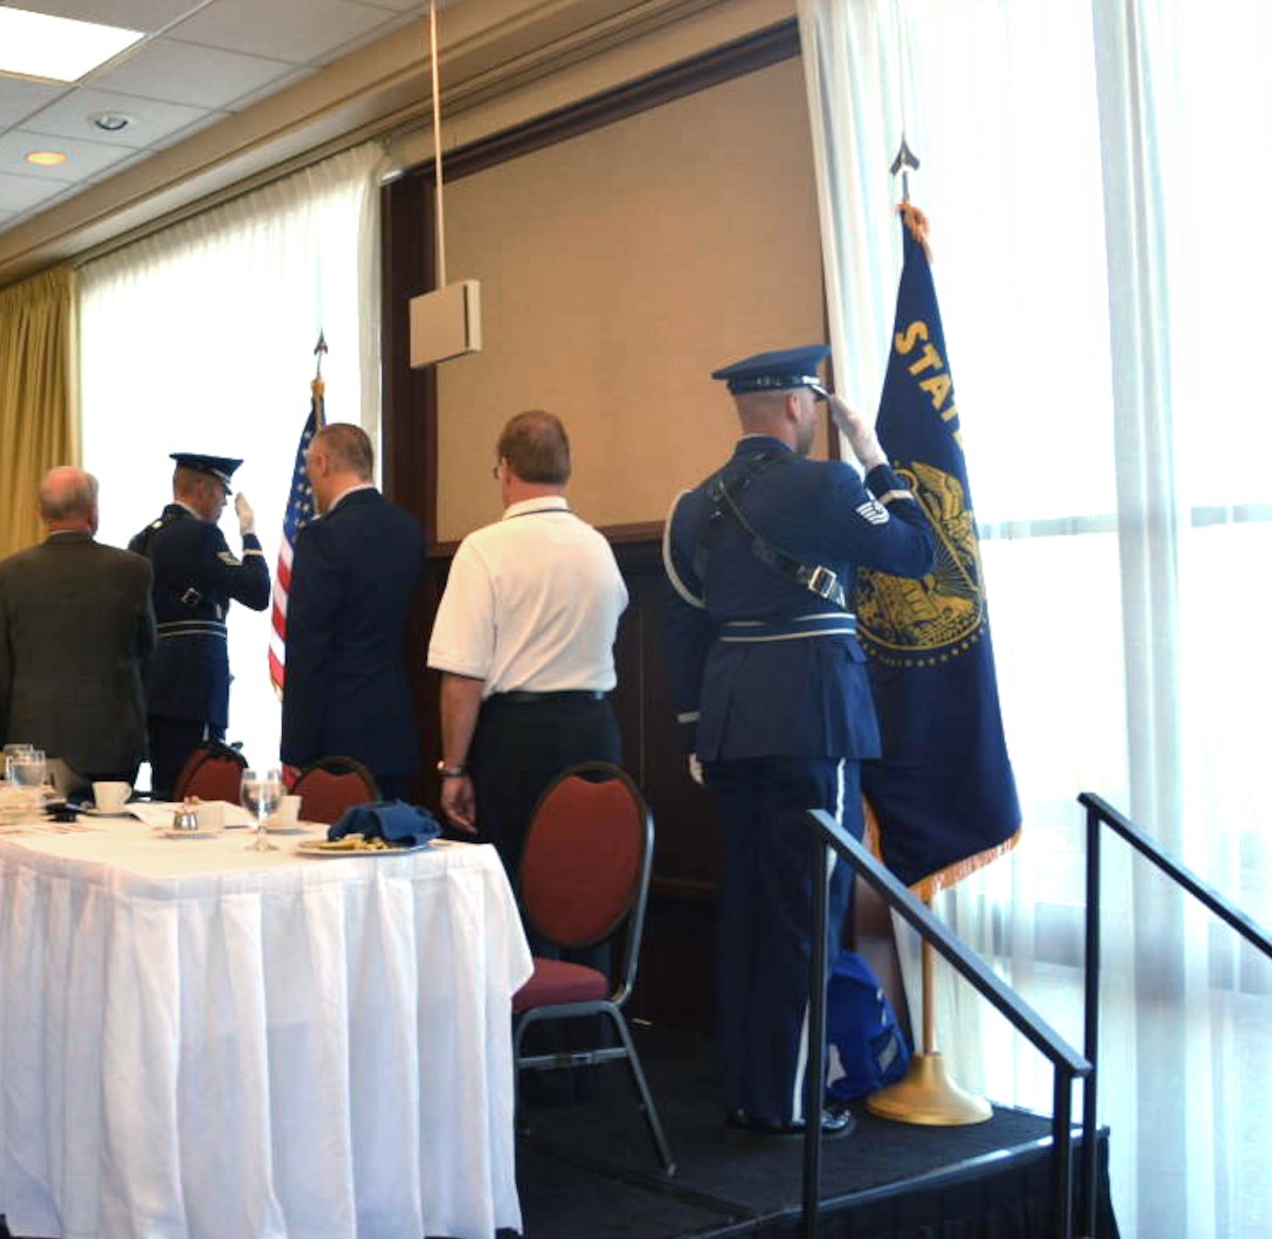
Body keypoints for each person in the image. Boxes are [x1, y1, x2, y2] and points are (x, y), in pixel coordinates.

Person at [662, 345, 936, 1139]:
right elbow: (914, 550)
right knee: (809, 912)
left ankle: (750, 1086)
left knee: (748, 908)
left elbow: (684, 626)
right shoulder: (828, 483)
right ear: (795, 405)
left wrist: (692, 729)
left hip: (730, 723)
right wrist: (876, 456)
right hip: (813, 720)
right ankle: (791, 1101)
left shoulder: (694, 505)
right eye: (814, 403)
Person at [428, 410, 629, 908]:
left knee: (514, 894)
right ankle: (593, 986)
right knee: (588, 888)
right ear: (566, 468)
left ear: (505, 469)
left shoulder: (484, 550)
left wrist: (453, 769)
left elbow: (462, 678)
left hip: (519, 741)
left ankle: (526, 989)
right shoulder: (598, 548)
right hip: (595, 732)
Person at [278, 422, 425, 798]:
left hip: (337, 736)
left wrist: (296, 745)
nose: (310, 479)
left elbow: (309, 644)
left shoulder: (322, 536)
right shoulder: (408, 529)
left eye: (311, 466)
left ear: (323, 463)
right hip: (395, 726)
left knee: (338, 852)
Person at [0, 466, 156, 784]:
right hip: (113, 742)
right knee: (110, 832)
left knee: (32, 835)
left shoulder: (7, 574)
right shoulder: (133, 570)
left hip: (33, 744)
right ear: (93, 512)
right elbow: (148, 652)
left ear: (41, 513)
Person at [129, 451, 270, 799]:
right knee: (194, 791)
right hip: (193, 686)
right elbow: (257, 592)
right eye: (223, 491)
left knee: (166, 788)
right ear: (203, 489)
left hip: (154, 684)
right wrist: (249, 535)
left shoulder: (144, 538)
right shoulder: (201, 535)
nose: (225, 501)